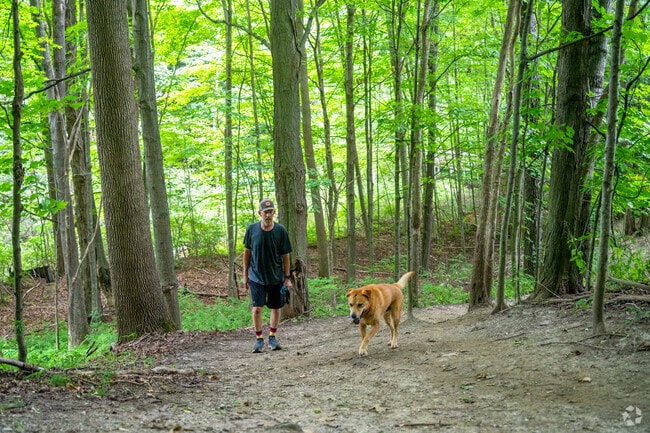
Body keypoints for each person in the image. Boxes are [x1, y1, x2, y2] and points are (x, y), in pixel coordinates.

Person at [243, 199, 293, 353]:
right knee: (257, 308)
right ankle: (259, 339)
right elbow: (247, 253)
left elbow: (286, 256)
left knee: (275, 307)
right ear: (260, 213)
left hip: (276, 276)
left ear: (274, 212)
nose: (268, 215)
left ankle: (272, 336)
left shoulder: (280, 231)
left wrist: (287, 277)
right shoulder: (251, 230)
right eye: (265, 212)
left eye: (271, 211)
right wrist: (245, 275)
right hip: (256, 276)